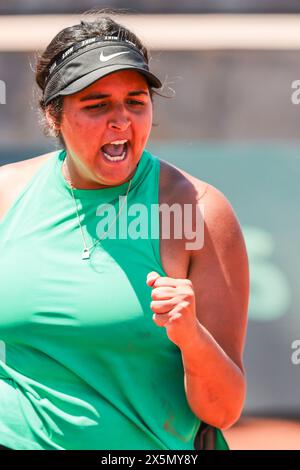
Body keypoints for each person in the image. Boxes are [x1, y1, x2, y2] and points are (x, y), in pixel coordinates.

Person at [0, 12, 249, 450]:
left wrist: (191, 336)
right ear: (54, 116)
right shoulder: (6, 195)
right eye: (96, 106)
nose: (121, 121)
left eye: (135, 101)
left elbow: (223, 410)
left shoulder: (199, 210)